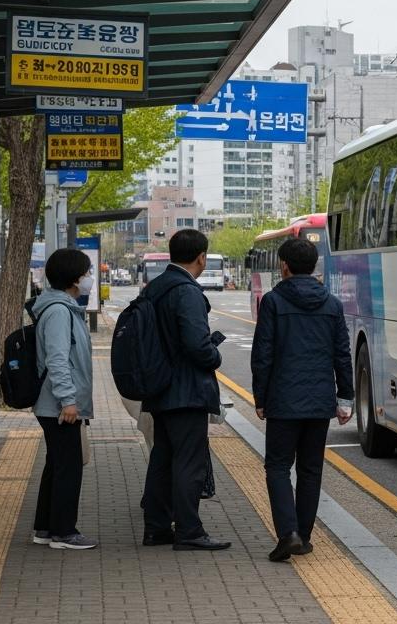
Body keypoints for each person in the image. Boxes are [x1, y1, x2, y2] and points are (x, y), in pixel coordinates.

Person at [251, 238, 354, 562]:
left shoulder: (273, 302)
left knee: (278, 466)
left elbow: (263, 354)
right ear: (314, 267)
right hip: (320, 401)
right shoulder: (332, 304)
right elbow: (342, 354)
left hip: (283, 400)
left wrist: (261, 397)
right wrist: (346, 398)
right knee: (311, 470)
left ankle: (288, 533)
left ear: (284, 266)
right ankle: (304, 537)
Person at [141, 229, 230, 551]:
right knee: (188, 462)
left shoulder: (156, 287)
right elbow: (196, 344)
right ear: (202, 257)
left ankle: (157, 528)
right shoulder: (187, 292)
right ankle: (189, 531)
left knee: (162, 458)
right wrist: (214, 355)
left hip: (159, 387)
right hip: (186, 390)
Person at [30, 248, 97, 550]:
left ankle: (45, 528)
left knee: (57, 463)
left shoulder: (63, 307)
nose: (89, 279)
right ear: (74, 278)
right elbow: (57, 360)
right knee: (69, 466)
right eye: (86, 273)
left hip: (55, 403)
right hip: (59, 405)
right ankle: (63, 532)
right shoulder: (59, 311)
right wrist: (68, 401)